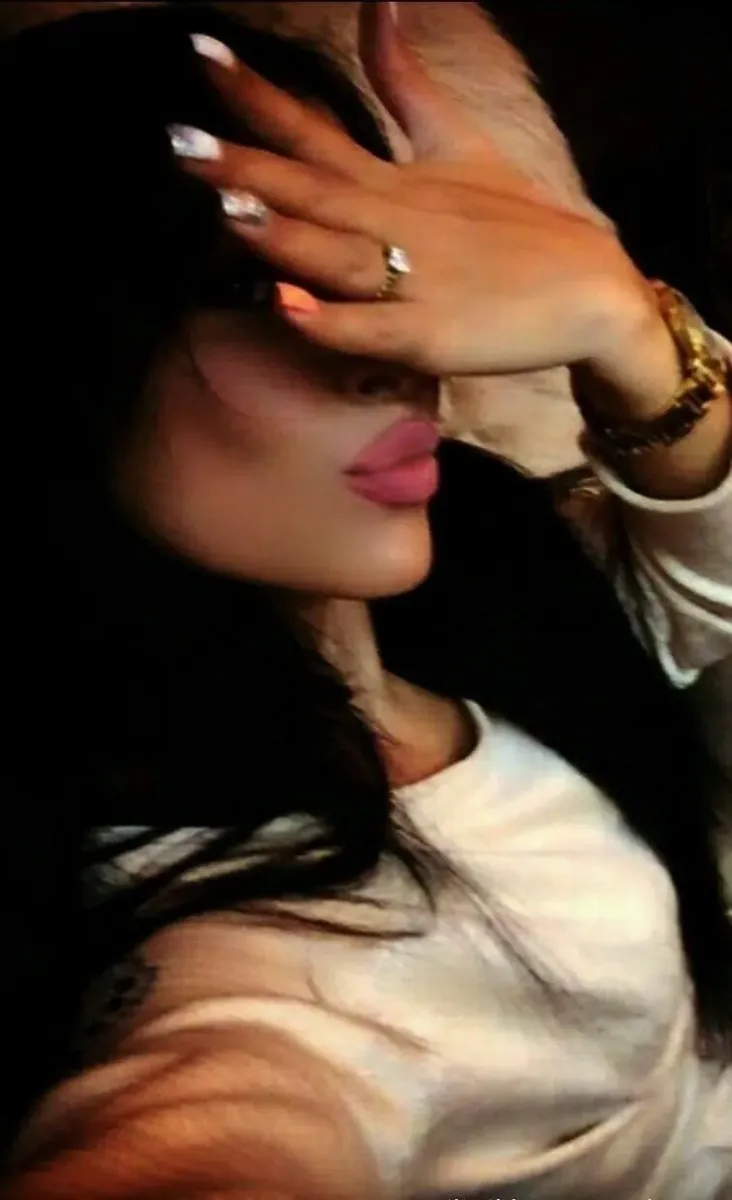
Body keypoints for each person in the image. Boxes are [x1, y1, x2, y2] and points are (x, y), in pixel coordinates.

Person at [2, 2, 731, 1197]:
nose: (389, 347)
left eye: (377, 262)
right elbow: (219, 1108)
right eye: (252, 287)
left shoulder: (492, 568)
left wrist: (624, 324)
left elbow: (705, 577)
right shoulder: (226, 941)